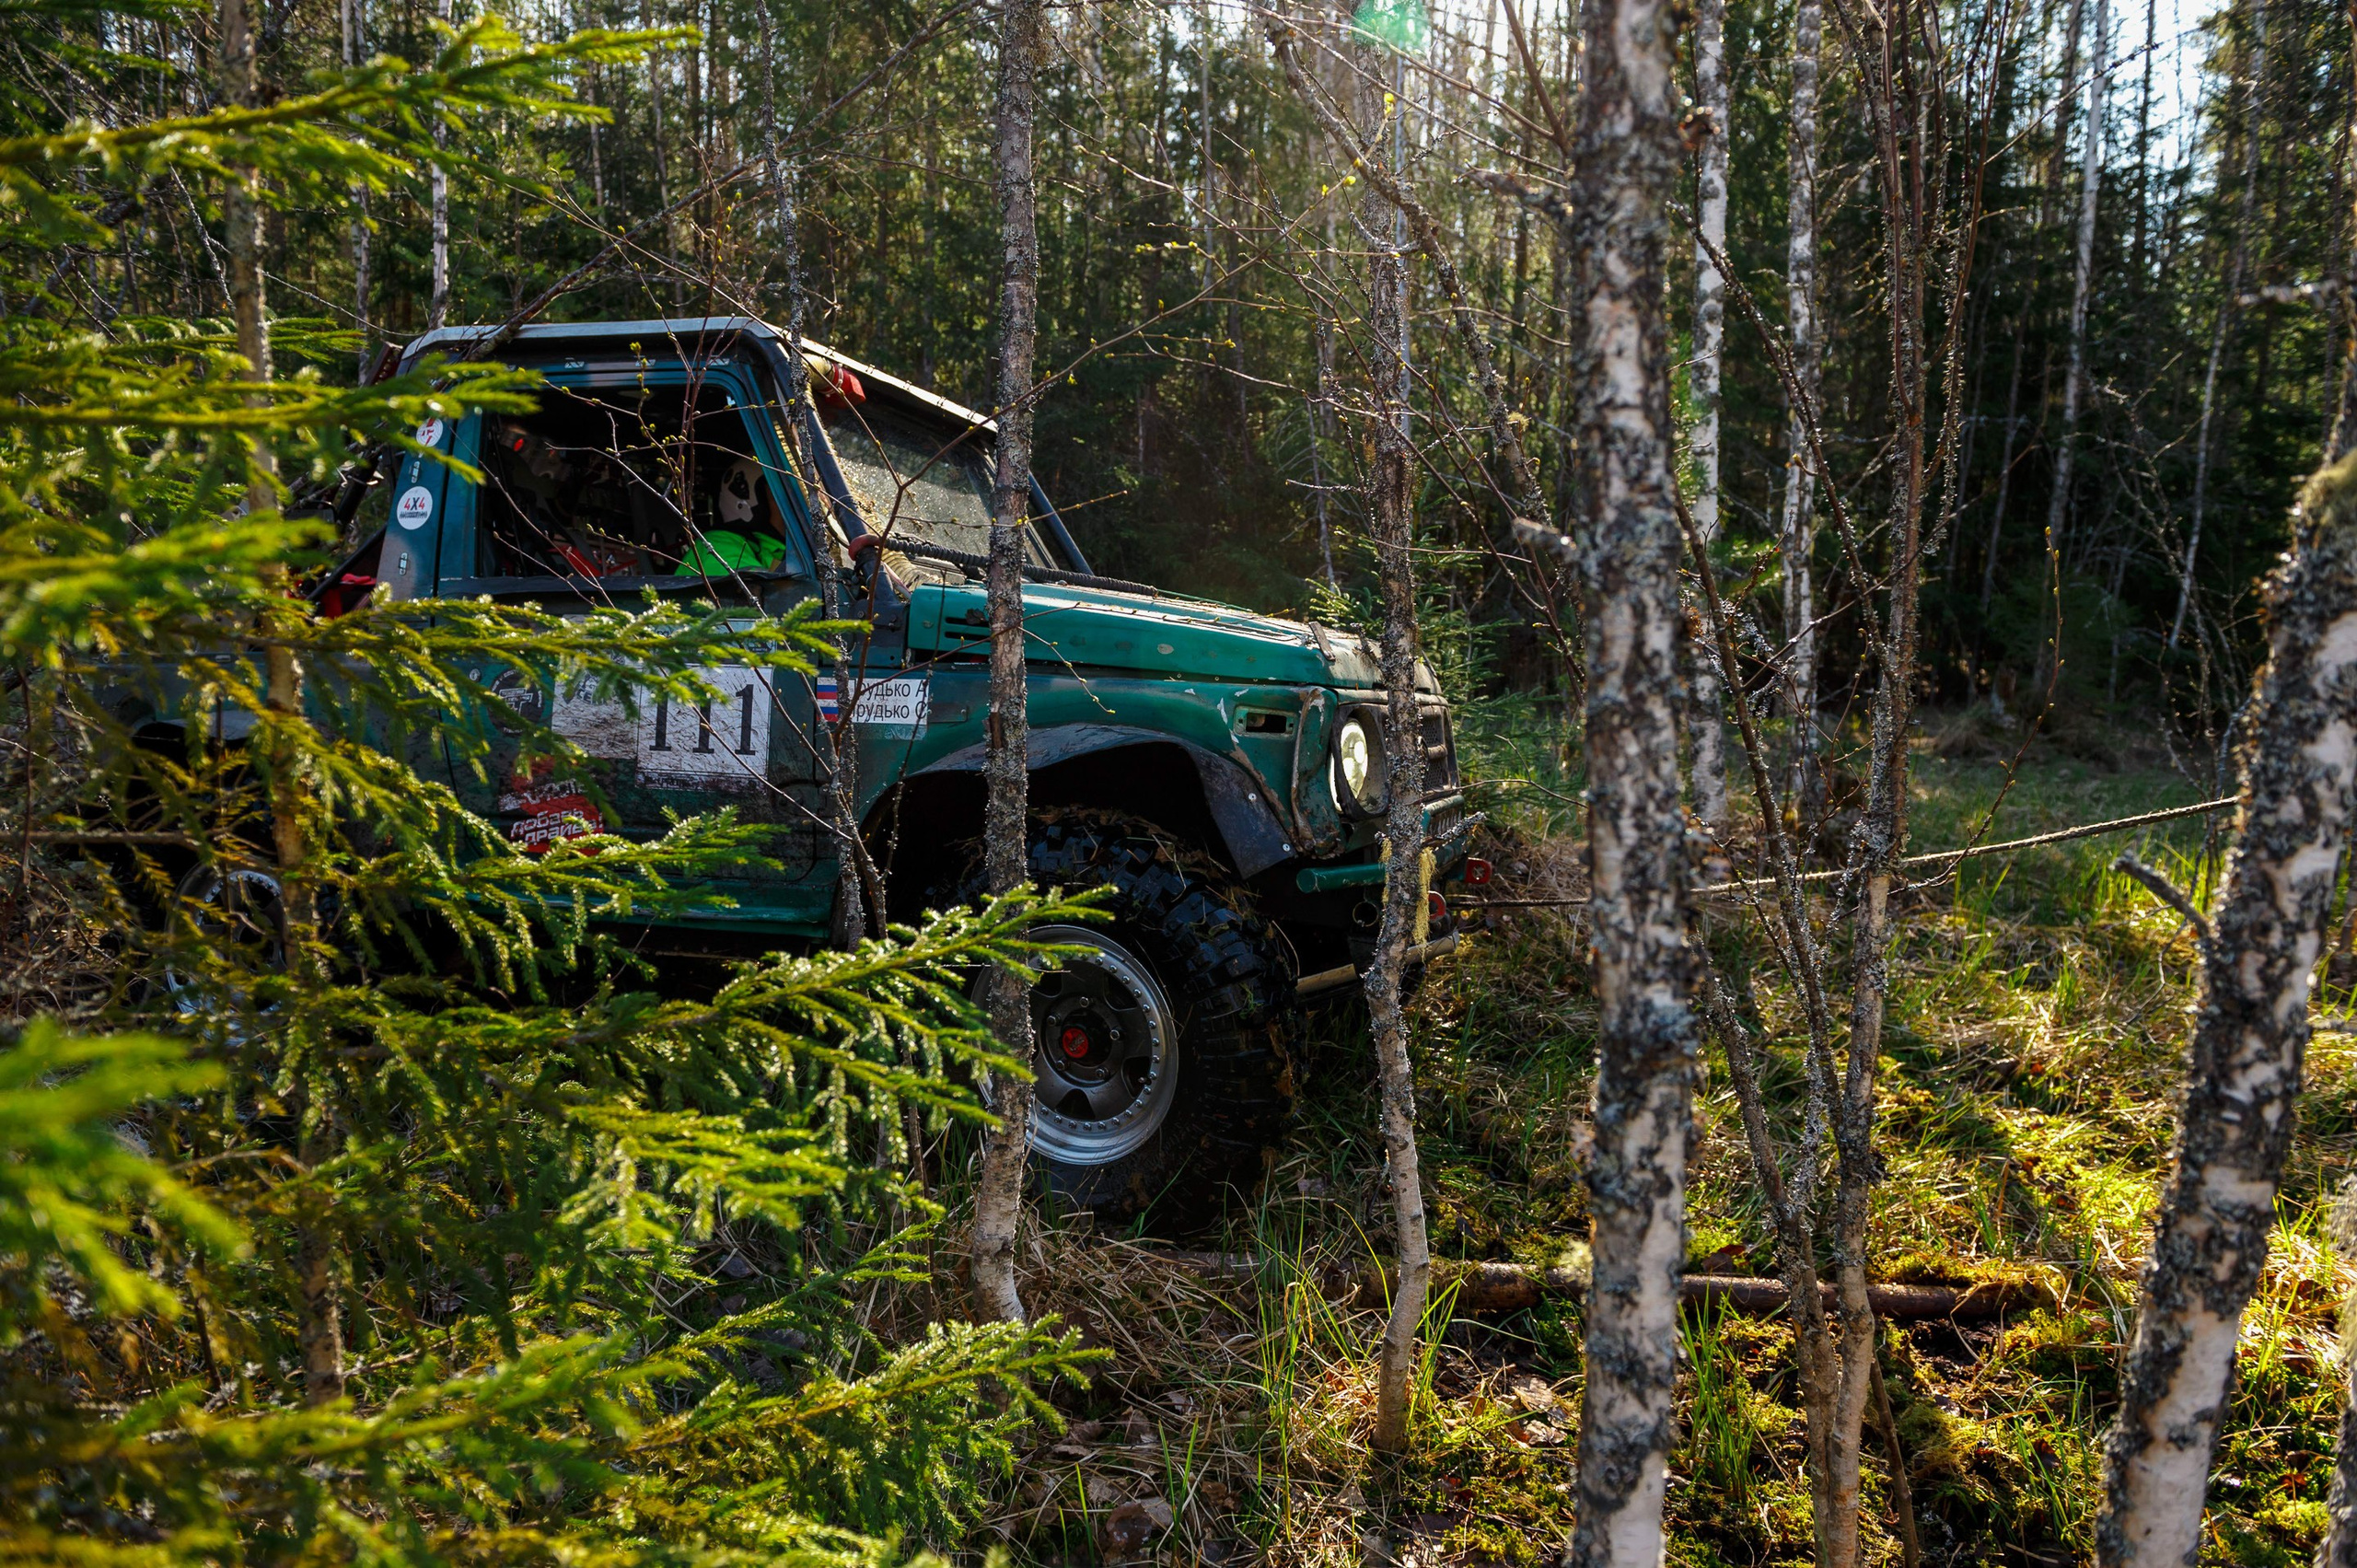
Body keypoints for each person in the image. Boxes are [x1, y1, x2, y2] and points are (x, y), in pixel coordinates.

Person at [679, 457, 790, 577]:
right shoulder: (716, 545)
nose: (791, 504)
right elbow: (753, 588)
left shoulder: (779, 549)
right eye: (780, 496)